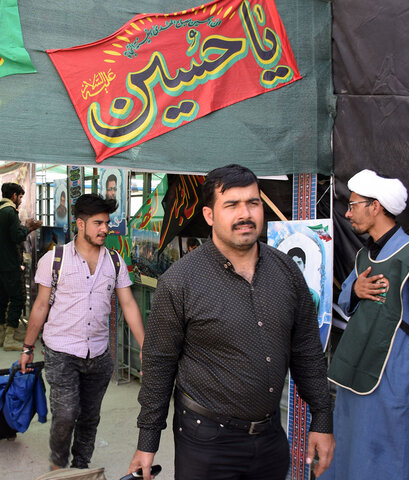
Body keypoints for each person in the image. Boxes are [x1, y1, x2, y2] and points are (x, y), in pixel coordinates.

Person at [127, 164, 334, 480]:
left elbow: (306, 350)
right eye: (232, 205)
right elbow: (159, 364)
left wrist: (321, 418)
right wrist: (147, 442)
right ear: (209, 215)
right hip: (206, 443)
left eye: (252, 203)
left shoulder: (287, 272)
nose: (245, 214)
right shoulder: (180, 282)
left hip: (269, 438)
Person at [321, 170, 409, 480]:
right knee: (351, 455)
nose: (348, 213)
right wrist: (354, 290)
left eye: (353, 206)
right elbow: (344, 298)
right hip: (355, 374)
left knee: (388, 461)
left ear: (375, 207)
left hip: (394, 380)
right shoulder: (365, 256)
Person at [20, 193, 145, 470]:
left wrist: (145, 349)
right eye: (98, 223)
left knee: (90, 417)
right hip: (61, 352)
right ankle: (58, 464)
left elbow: (129, 305)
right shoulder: (55, 260)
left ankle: (80, 467)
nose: (105, 229)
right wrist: (27, 348)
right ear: (80, 224)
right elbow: (40, 306)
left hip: (99, 354)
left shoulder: (115, 262)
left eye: (107, 223)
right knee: (65, 414)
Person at [0, 182, 42, 351]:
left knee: (1, 298)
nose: (21, 201)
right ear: (14, 196)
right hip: (10, 264)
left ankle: (0, 335)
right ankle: (10, 337)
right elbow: (16, 236)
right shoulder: (10, 212)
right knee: (17, 298)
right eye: (20, 197)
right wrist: (29, 227)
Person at [286, 246, 321, 313]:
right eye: (293, 263)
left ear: (304, 266)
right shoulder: (280, 293)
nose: (296, 267)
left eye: (299, 263)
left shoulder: (313, 296)